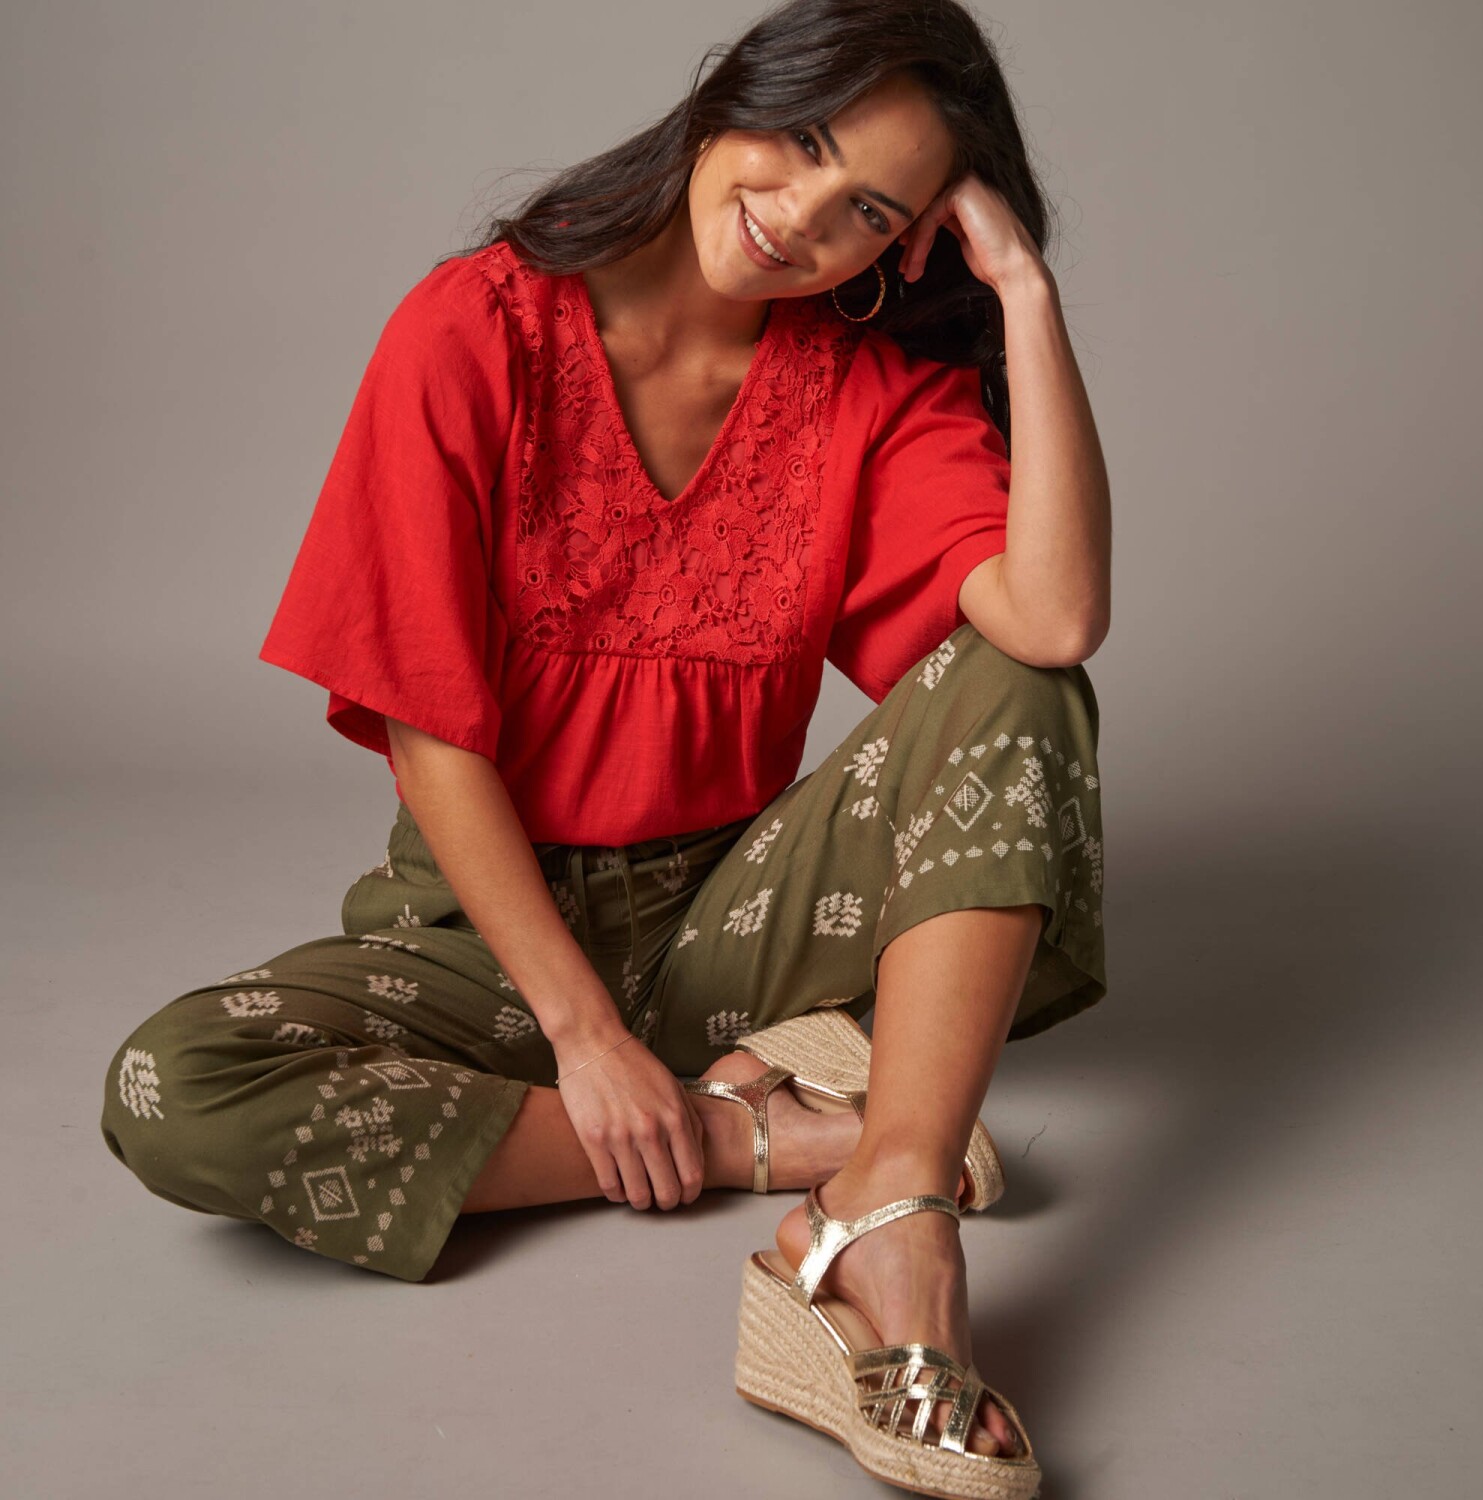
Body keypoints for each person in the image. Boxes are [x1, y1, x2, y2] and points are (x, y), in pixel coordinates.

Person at [100, 0, 1110, 1493]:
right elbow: (427, 725)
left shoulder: (865, 382)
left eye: (868, 212)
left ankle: (889, 1202)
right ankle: (770, 1134)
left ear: (903, 250)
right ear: (736, 95)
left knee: (1022, 681)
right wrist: (584, 1041)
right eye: (804, 141)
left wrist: (1023, 288)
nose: (800, 215)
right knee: (172, 1085)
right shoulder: (475, 328)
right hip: (484, 935)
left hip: (735, 917)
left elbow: (1056, 614)